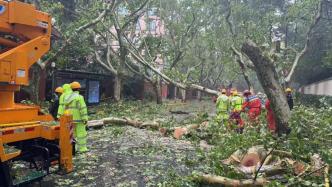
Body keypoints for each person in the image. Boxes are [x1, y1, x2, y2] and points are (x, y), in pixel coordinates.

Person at [58, 82, 89, 153]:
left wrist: (60, 116)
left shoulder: (66, 97)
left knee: (72, 134)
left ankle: (73, 149)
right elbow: (82, 109)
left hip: (70, 119)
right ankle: (82, 149)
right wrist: (85, 118)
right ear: (78, 89)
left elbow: (62, 108)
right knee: (81, 134)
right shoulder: (79, 97)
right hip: (79, 119)